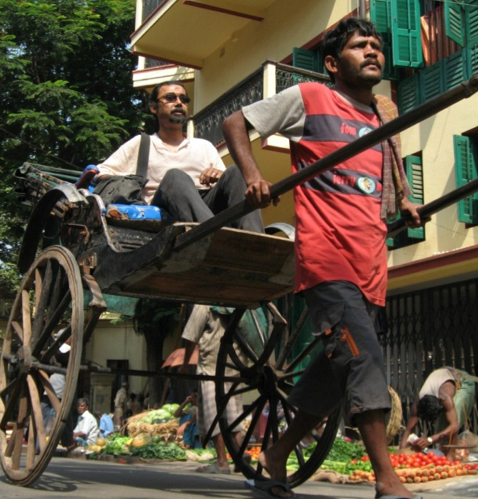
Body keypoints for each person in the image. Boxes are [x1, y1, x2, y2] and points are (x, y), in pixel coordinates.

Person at [222, 17, 426, 499]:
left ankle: (275, 454)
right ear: (333, 63)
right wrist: (253, 175)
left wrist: (407, 200)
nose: (373, 51)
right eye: (360, 46)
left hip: (372, 263)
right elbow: (236, 123)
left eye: (376, 45)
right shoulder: (311, 98)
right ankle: (387, 479)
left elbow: (390, 174)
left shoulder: (381, 116)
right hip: (326, 258)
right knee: (363, 358)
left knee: (336, 370)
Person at [95, 81, 263, 233]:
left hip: (204, 204)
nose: (178, 103)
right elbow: (101, 172)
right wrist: (133, 183)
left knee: (236, 171)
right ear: (154, 108)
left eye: (183, 99)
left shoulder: (203, 145)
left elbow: (228, 182)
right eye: (170, 98)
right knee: (175, 177)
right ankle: (216, 237)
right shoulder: (142, 143)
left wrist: (218, 175)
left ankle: (256, 239)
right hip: (164, 208)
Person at [181, 305, 262, 474]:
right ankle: (240, 453)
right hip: (234, 367)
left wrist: (186, 362)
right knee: (232, 414)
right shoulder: (237, 303)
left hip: (211, 367)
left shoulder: (204, 305)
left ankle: (222, 461)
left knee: (213, 415)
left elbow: (190, 336)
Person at [400, 366, 476, 458]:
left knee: (456, 412)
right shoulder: (418, 404)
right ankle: (445, 452)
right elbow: (408, 429)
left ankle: (452, 456)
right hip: (443, 376)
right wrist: (400, 454)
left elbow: (454, 426)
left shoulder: (444, 396)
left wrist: (430, 439)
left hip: (463, 381)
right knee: (442, 428)